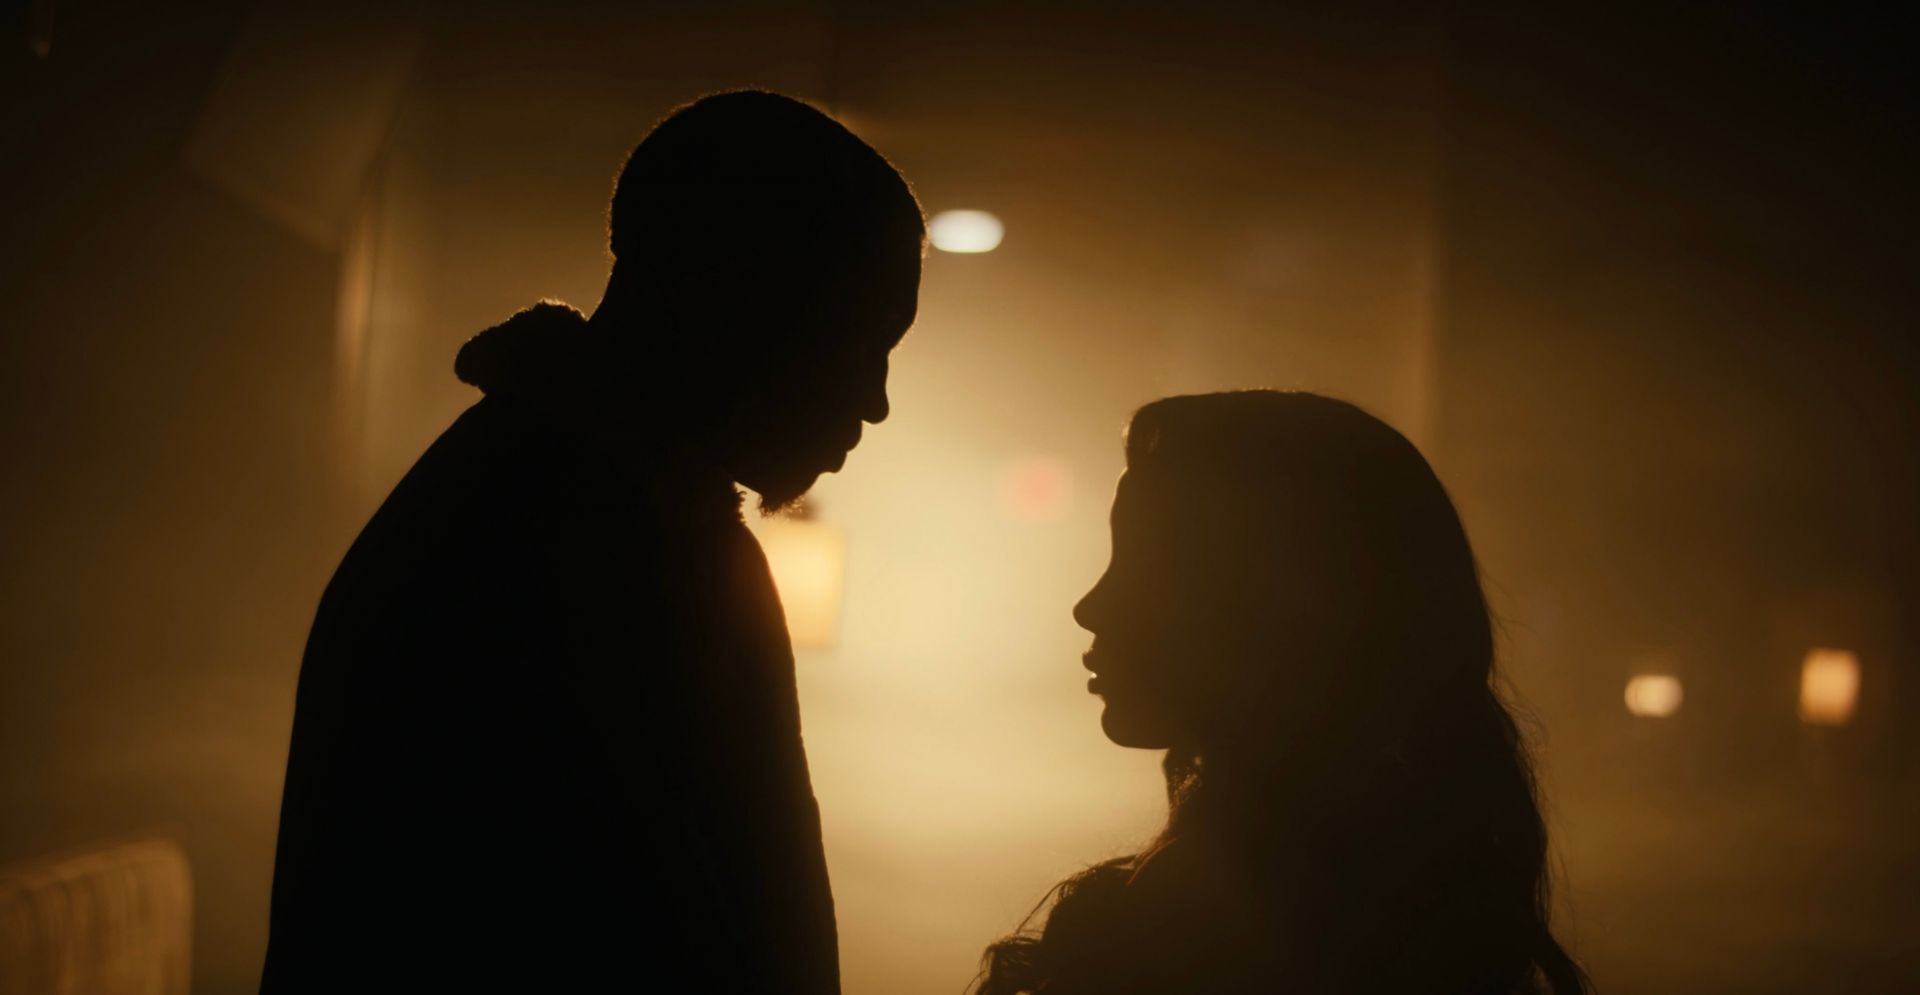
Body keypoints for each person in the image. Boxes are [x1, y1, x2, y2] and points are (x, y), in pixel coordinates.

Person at [261, 90, 923, 993]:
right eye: (862, 340)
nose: (875, 399)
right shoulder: (568, 552)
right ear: (745, 299)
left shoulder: (581, 510)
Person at [976, 391, 1588, 995]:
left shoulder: (1188, 940)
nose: (1090, 607)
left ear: (1276, 609)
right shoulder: (1426, 916)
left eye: (1145, 567)